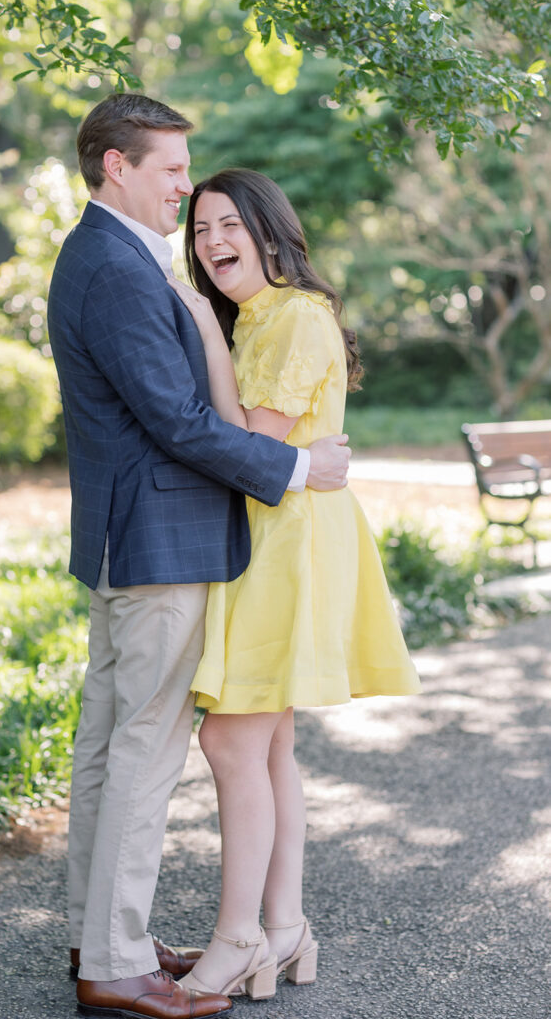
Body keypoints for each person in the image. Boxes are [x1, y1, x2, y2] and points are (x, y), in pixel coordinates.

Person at [47, 96, 352, 1019]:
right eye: (174, 170)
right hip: (157, 541)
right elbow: (175, 422)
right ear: (117, 166)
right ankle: (113, 962)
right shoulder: (113, 265)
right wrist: (299, 466)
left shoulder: (109, 259)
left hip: (132, 538)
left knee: (109, 749)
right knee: (138, 753)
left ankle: (106, 939)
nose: (185, 186)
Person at [167, 168, 422, 999]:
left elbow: (253, 444)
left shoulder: (291, 319)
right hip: (279, 536)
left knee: (230, 740)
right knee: (267, 742)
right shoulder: (264, 318)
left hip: (287, 545)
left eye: (228, 225)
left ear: (270, 230)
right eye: (200, 230)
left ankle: (239, 936)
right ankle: (285, 929)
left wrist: (204, 332)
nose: (212, 243)